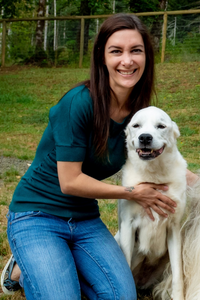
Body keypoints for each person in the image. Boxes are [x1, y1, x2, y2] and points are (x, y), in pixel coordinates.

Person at [1, 13, 199, 300]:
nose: (127, 60)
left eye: (136, 51)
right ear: (102, 58)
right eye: (116, 51)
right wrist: (133, 193)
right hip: (38, 213)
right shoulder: (78, 103)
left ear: (147, 58)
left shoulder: (140, 114)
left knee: (122, 296)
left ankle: (57, 261)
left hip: (85, 218)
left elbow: (170, 158)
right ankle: (22, 268)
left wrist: (197, 182)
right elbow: (69, 182)